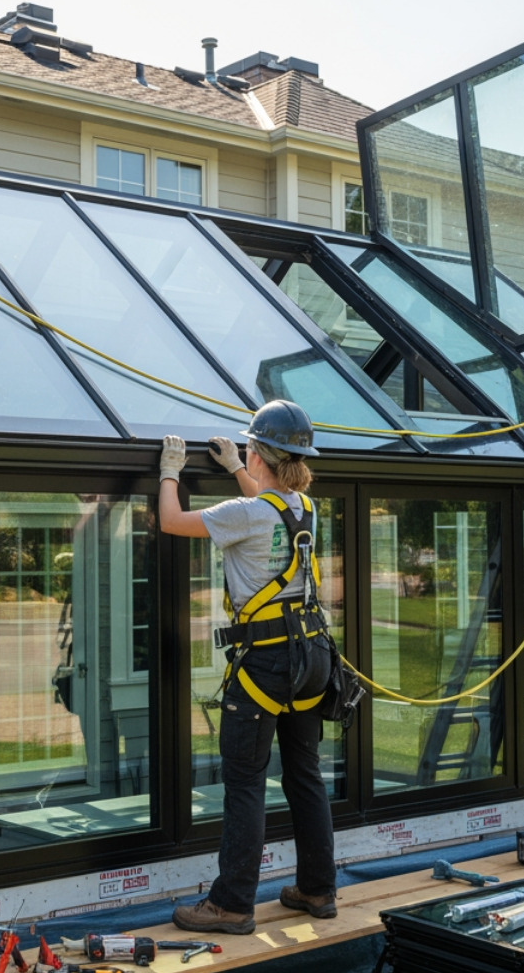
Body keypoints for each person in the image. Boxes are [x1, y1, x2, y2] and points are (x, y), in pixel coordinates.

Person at [159, 400, 337, 935]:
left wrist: (170, 472)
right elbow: (270, 509)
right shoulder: (305, 507)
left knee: (244, 783)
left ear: (261, 453)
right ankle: (317, 889)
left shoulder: (245, 513)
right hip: (311, 660)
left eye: (251, 450)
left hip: (265, 663)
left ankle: (232, 904)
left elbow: (171, 521)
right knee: (305, 776)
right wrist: (237, 467)